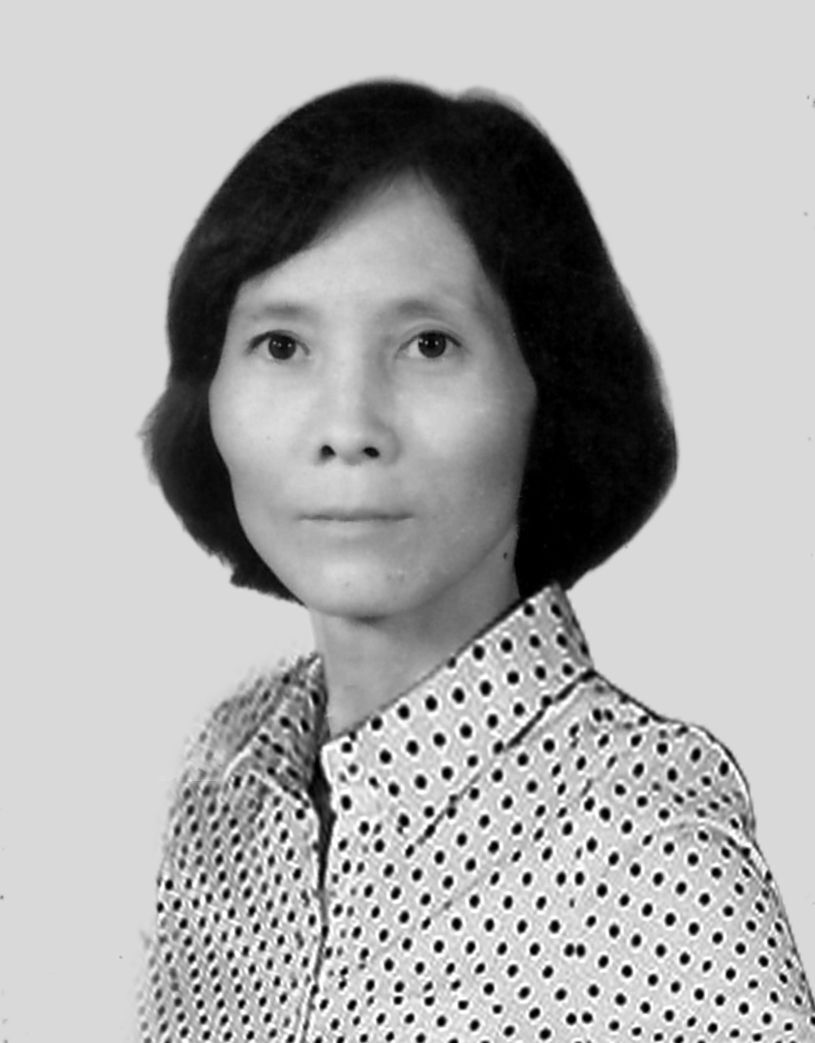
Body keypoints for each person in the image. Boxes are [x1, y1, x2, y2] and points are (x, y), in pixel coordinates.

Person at [137, 80, 815, 1042]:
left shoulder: (641, 842)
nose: (347, 427)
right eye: (281, 344)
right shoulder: (226, 772)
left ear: (552, 391)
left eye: (428, 344)